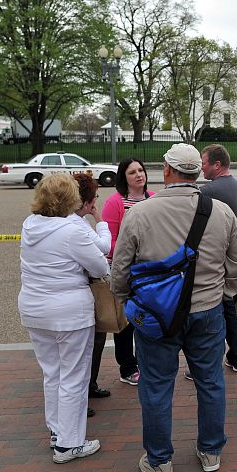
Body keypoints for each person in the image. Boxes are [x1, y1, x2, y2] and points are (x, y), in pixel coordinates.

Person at [111, 144, 237, 472]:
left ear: (167, 171)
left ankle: (159, 461)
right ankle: (211, 450)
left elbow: (120, 271)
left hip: (156, 315)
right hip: (208, 311)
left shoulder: (139, 213)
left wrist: (129, 299)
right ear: (198, 173)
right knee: (211, 382)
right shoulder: (221, 212)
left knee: (156, 386)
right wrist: (223, 292)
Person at [18, 172, 109, 463]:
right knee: (74, 376)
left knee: (52, 373)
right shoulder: (70, 231)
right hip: (69, 312)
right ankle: (70, 443)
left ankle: (58, 432)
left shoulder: (30, 224)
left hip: (34, 308)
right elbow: (98, 267)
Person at [96, 158, 155, 388]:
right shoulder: (115, 202)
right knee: (125, 321)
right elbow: (110, 241)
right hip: (126, 270)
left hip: (149, 270)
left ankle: (145, 363)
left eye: (141, 170)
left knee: (146, 319)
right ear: (124, 177)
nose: (139, 175)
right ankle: (127, 367)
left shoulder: (153, 197)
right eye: (132, 172)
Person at [200, 144, 237, 373]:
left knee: (216, 314)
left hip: (217, 258)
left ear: (217, 165)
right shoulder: (235, 184)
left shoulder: (210, 190)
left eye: (204, 162)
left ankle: (210, 363)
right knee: (230, 309)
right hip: (231, 255)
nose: (201, 167)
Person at [70, 174, 112, 413]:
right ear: (87, 202)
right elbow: (103, 251)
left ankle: (89, 385)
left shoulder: (63, 221)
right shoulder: (77, 225)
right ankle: (79, 398)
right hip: (80, 292)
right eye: (95, 196)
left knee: (92, 343)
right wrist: (99, 217)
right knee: (82, 350)